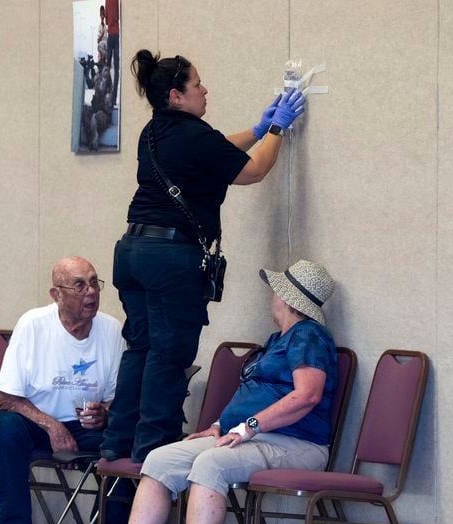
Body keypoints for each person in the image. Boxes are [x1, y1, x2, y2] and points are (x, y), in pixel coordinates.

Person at [74, 260, 337, 524]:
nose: (271, 296)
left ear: (285, 298)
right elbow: (255, 395)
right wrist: (218, 427)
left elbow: (306, 395)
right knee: (161, 459)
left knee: (212, 465)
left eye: (276, 290)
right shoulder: (278, 339)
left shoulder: (310, 336)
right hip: (247, 436)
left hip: (295, 442)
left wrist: (249, 427)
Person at [99, 50, 307, 465]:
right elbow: (252, 171)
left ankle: (116, 448)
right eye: (198, 85)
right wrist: (278, 131)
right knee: (169, 355)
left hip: (132, 252)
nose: (205, 90)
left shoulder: (154, 132)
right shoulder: (192, 134)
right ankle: (151, 458)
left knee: (140, 347)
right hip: (170, 258)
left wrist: (256, 129)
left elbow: (216, 151)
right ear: (177, 95)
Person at [0, 256, 132, 524]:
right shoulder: (33, 325)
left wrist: (104, 414)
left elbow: (116, 401)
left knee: (132, 433)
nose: (91, 292)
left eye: (94, 282)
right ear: (57, 295)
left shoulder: (111, 330)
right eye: (80, 285)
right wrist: (53, 427)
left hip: (85, 427)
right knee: (2, 424)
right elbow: (5, 397)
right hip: (36, 424)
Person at [104, 0, 119, 100]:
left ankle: (106, 93)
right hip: (117, 34)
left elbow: (106, 21)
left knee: (108, 66)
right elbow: (118, 16)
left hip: (110, 35)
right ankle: (114, 98)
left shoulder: (107, 1)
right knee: (116, 69)